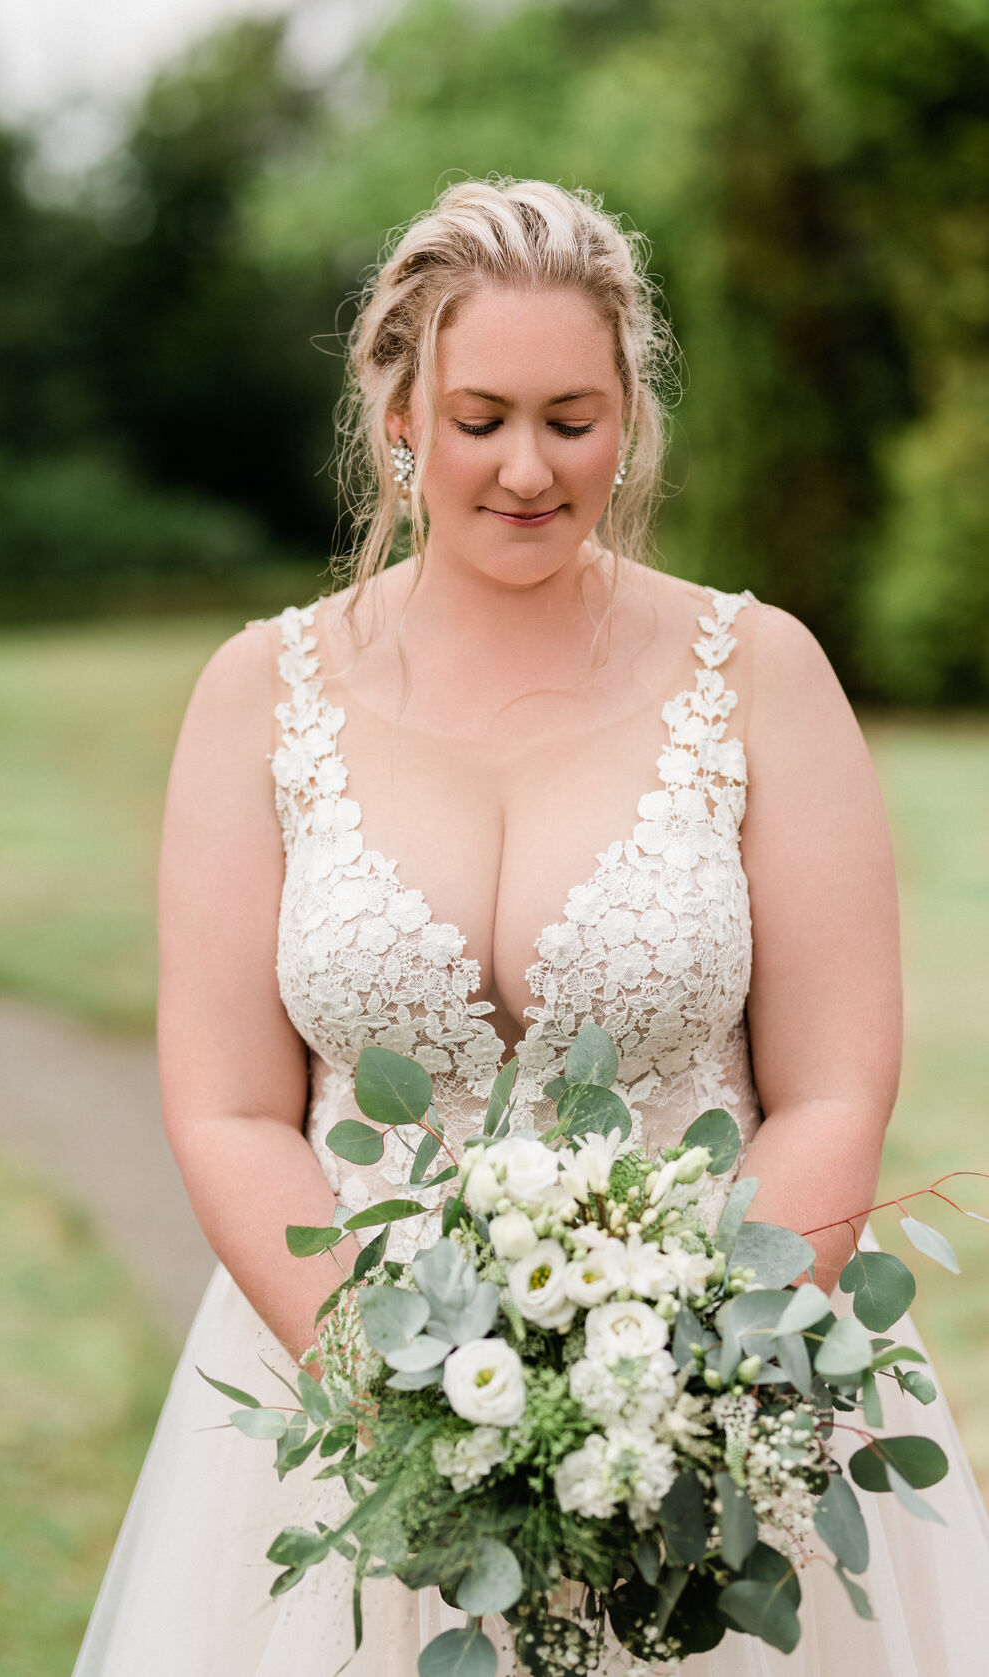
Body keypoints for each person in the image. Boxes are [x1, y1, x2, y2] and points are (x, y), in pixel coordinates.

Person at [72, 178, 989, 1676]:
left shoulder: (761, 673)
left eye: (571, 417)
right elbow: (230, 1105)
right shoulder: (259, 694)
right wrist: (397, 1399)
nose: (523, 467)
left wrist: (694, 1376)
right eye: (479, 414)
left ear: (628, 414)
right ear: (398, 412)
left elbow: (832, 1087)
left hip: (721, 1402)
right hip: (340, 1396)